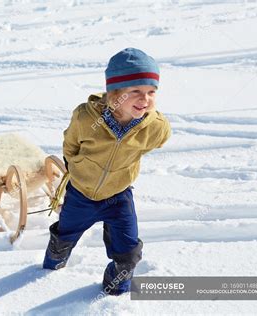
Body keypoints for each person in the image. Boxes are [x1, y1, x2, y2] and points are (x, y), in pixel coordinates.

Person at [42, 47, 171, 296]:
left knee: (128, 254)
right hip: (81, 195)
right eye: (135, 91)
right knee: (64, 237)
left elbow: (160, 138)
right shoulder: (85, 118)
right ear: (115, 93)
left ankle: (114, 294)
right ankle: (48, 271)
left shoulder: (154, 126)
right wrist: (78, 169)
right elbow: (70, 146)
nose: (145, 99)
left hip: (118, 198)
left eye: (151, 92)